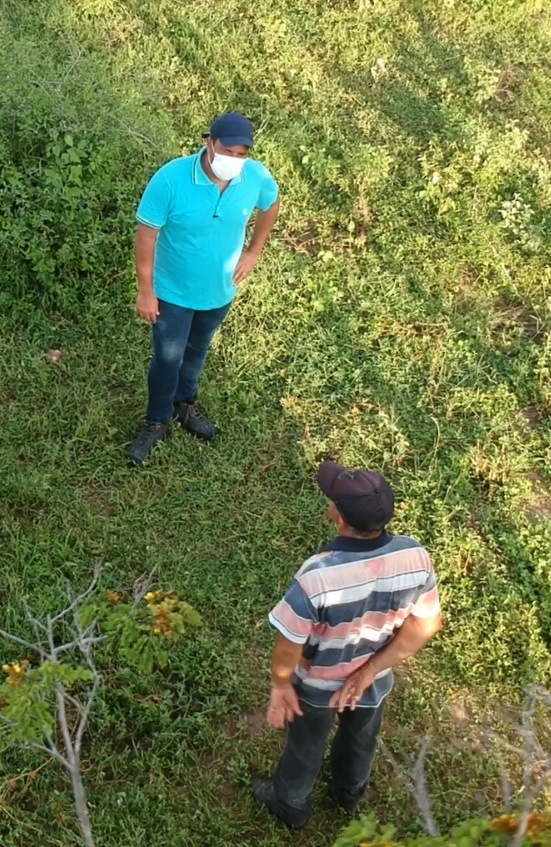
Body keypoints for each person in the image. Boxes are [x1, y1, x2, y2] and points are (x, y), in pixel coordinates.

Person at [252, 461, 442, 828]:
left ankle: (291, 802)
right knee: (361, 737)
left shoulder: (318, 576)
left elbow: (289, 643)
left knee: (305, 744)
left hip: (317, 685)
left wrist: (280, 685)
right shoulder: (415, 557)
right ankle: (348, 792)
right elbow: (427, 624)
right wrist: (370, 670)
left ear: (338, 518)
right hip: (374, 680)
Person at [126, 112, 280, 466]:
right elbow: (146, 234)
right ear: (209, 143)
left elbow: (271, 204)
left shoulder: (254, 176)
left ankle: (185, 403)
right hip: (172, 291)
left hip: (218, 291)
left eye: (242, 154)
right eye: (228, 151)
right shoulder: (171, 178)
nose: (234, 161)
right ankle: (157, 420)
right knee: (167, 357)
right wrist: (146, 290)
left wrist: (254, 250)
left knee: (198, 348)